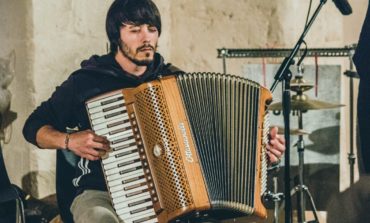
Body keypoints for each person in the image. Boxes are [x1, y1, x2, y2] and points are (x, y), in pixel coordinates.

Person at [22, 0, 285, 222]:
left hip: (174, 198)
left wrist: (261, 155)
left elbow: (214, 146)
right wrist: (69, 141)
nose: (146, 37)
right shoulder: (87, 82)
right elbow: (34, 127)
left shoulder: (175, 82)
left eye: (152, 29)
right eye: (135, 30)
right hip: (101, 194)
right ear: (116, 36)